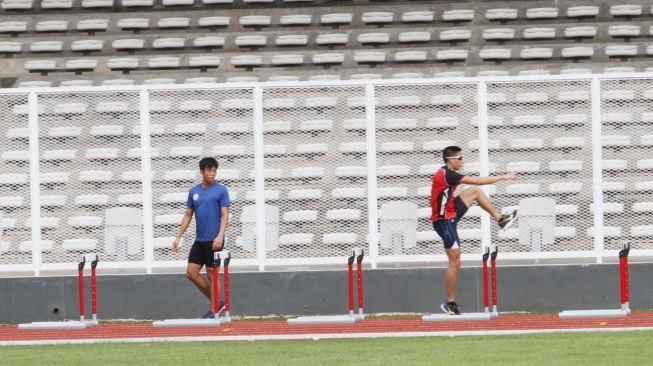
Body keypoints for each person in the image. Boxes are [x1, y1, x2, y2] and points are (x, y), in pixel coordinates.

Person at [430, 146, 517, 315]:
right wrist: (503, 177)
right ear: (451, 159)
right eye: (460, 158)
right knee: (455, 263)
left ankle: (501, 220)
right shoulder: (447, 174)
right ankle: (450, 303)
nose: (462, 161)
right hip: (444, 222)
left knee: (475, 192)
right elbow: (478, 181)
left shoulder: (446, 173)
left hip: (451, 212)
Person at [172, 157, 231, 319]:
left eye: (214, 170)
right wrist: (178, 237)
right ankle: (217, 302)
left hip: (214, 239)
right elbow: (188, 215)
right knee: (191, 273)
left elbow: (225, 215)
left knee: (212, 274)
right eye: (209, 170)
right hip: (199, 240)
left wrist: (220, 236)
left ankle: (214, 308)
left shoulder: (221, 190)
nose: (212, 173)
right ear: (202, 172)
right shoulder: (194, 192)